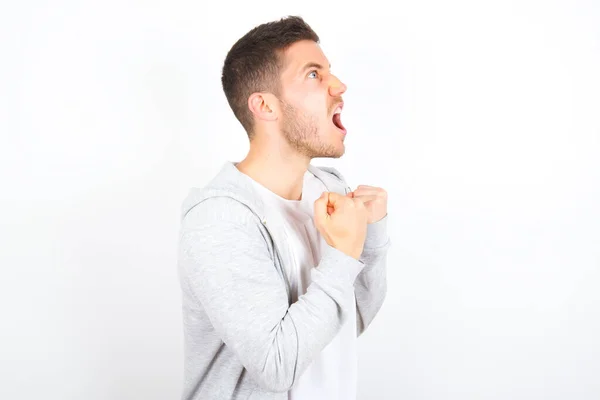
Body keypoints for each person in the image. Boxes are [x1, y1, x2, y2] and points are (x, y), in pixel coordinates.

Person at [177, 15, 391, 400]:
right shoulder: (221, 218)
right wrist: (343, 253)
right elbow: (277, 366)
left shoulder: (329, 188)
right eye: (313, 75)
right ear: (265, 106)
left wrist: (370, 239)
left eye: (330, 72)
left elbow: (349, 320)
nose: (339, 86)